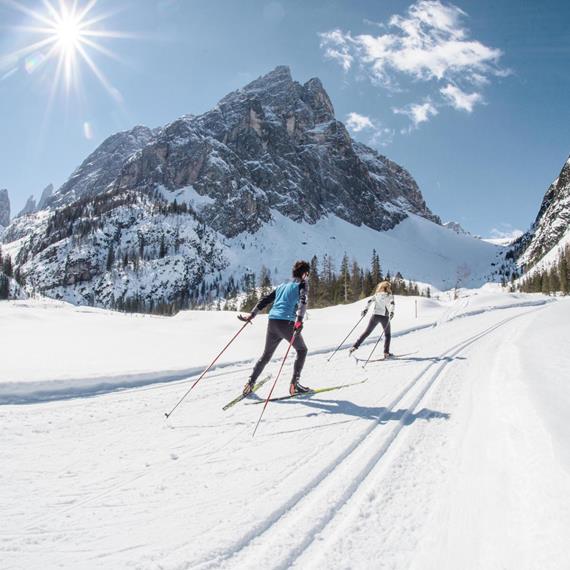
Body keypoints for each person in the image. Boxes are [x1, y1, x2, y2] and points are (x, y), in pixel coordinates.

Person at [239, 260, 311, 397]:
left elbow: (265, 299)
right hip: (287, 323)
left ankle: (250, 383)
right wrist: (299, 321)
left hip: (272, 322)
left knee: (266, 356)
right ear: (304, 274)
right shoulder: (302, 284)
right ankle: (294, 385)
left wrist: (252, 314)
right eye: (307, 274)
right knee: (302, 350)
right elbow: (303, 301)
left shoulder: (282, 285)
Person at [349, 281, 395, 359]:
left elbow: (369, 302)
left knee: (367, 332)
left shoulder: (376, 295)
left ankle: (354, 346)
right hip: (384, 317)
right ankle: (386, 353)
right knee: (387, 335)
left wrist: (365, 310)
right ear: (387, 288)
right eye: (389, 287)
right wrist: (392, 312)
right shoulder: (390, 296)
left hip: (375, 316)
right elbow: (392, 304)